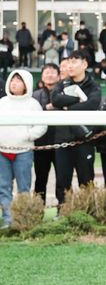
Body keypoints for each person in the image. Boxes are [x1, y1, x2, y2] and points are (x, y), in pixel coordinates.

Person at [51, 51, 101, 205]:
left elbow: (92, 104)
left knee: (86, 180)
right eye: (68, 62)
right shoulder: (63, 83)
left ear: (84, 64)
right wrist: (77, 99)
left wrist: (68, 106)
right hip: (62, 140)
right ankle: (63, 210)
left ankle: (88, 210)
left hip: (84, 141)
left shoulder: (93, 86)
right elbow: (56, 100)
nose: (70, 66)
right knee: (62, 180)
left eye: (74, 62)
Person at [0, 70, 47, 227]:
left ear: (26, 84)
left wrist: (28, 135)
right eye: (12, 80)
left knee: (23, 187)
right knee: (3, 186)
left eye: (19, 81)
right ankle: (8, 219)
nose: (14, 83)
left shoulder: (33, 104)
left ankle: (23, 219)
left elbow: (41, 125)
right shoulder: (3, 102)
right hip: (2, 151)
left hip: (23, 152)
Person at [33, 63, 61, 204]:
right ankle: (37, 209)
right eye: (46, 72)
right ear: (42, 76)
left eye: (52, 72)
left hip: (61, 143)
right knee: (40, 179)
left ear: (59, 76)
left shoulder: (64, 93)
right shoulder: (34, 96)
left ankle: (62, 209)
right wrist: (46, 108)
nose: (49, 75)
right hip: (41, 145)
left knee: (62, 178)